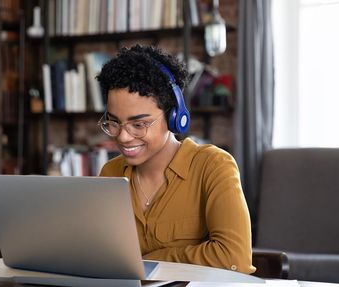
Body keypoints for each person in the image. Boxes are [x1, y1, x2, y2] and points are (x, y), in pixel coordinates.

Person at [96, 44, 255, 274]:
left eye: (139, 124)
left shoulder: (213, 167)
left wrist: (149, 262)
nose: (123, 136)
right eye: (113, 122)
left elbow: (233, 258)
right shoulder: (110, 173)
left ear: (175, 117)